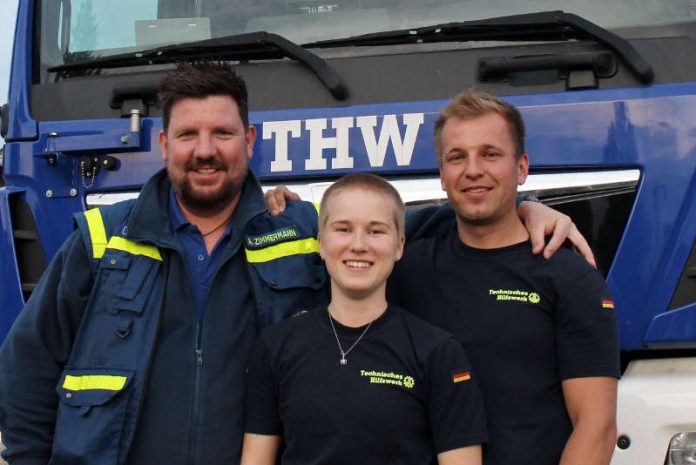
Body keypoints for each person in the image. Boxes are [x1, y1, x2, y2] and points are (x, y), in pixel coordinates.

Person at [0, 62, 329, 465]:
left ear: (248, 141)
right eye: (187, 134)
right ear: (164, 144)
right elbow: (26, 370)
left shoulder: (303, 235)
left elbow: (393, 245)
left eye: (222, 133)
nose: (205, 151)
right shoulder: (99, 240)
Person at [387, 90, 620, 465]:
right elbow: (342, 241)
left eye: (490, 154)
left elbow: (597, 428)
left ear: (522, 167)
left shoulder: (569, 278)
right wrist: (281, 207)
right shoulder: (406, 267)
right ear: (443, 175)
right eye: (457, 157)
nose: (473, 170)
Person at [241, 173, 487, 465]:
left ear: (399, 246)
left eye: (375, 231)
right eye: (343, 229)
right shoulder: (275, 347)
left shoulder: (439, 352)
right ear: (320, 242)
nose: (358, 244)